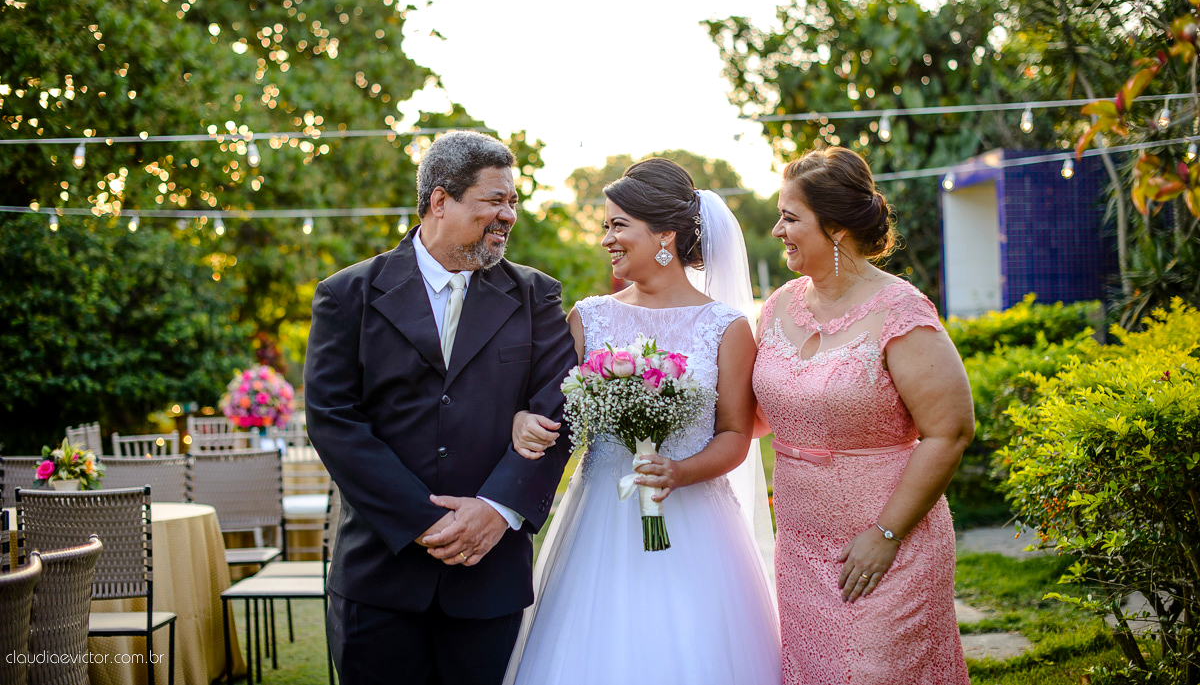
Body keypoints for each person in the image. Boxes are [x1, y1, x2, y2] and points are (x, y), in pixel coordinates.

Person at [303, 130, 578, 685]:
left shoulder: (536, 297)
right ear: (440, 201)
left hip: (489, 574)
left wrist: (496, 510)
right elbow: (334, 420)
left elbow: (560, 411)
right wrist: (427, 522)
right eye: (494, 201)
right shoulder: (347, 295)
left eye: (513, 202)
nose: (508, 215)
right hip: (381, 575)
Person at [505, 158, 781, 685]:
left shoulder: (726, 327)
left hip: (697, 521)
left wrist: (679, 472)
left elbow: (734, 436)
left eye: (618, 225)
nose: (606, 238)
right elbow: (553, 414)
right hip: (601, 521)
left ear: (665, 235)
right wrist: (522, 420)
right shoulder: (589, 317)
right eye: (605, 225)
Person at [752, 146, 974, 685]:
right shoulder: (779, 304)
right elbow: (753, 414)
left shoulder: (900, 311)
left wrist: (886, 534)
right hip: (801, 543)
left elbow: (951, 431)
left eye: (790, 217)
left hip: (888, 544)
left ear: (836, 230)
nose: (778, 229)